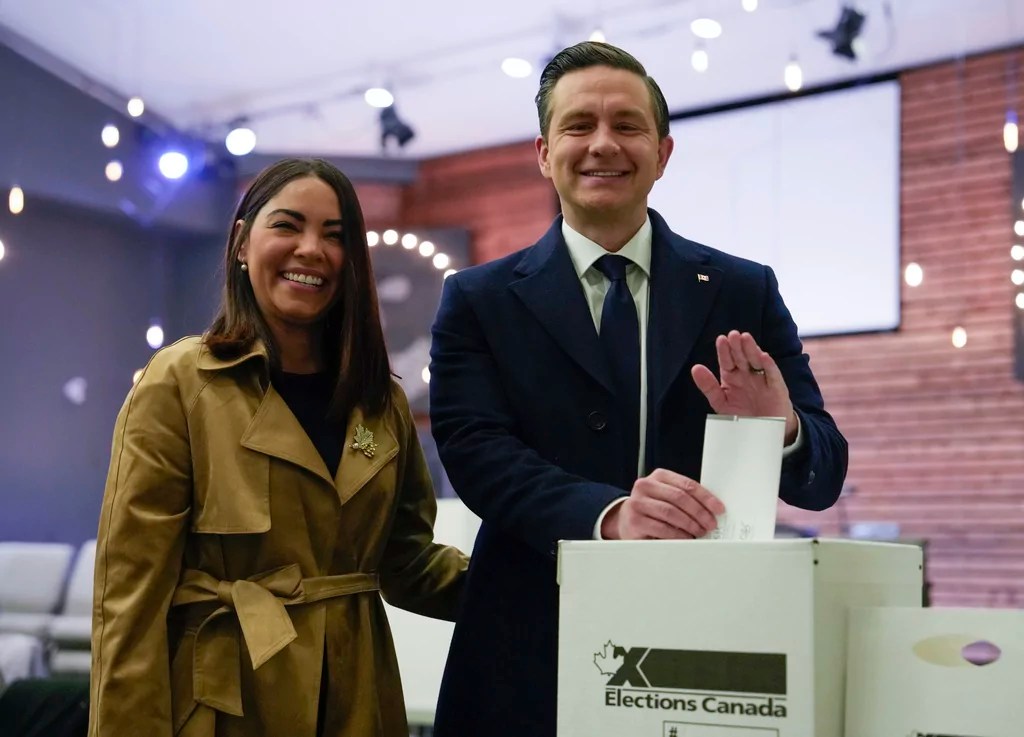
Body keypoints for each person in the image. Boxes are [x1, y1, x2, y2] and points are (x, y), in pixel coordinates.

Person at [427, 42, 848, 737]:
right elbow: (476, 452)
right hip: (526, 648)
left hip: (706, 655)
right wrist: (610, 514)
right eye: (578, 125)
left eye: (626, 125)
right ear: (543, 151)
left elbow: (822, 475)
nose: (602, 144)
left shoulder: (744, 290)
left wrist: (786, 429)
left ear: (663, 151)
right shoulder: (479, 299)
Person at [89, 158, 468, 737]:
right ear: (242, 243)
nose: (311, 249)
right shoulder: (182, 383)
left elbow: (407, 561)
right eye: (288, 226)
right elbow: (129, 599)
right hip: (225, 703)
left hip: (357, 701)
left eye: (335, 236)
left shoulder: (380, 402)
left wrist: (537, 581)